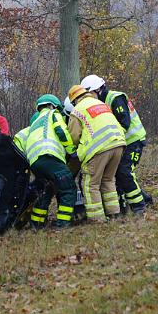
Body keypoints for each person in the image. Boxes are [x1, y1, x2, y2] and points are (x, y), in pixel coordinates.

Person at [80, 74, 148, 215]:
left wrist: (110, 140)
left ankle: (139, 206)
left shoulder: (115, 99)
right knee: (117, 173)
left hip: (133, 141)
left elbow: (125, 123)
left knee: (124, 171)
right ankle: (143, 200)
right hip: (120, 143)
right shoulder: (101, 102)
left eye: (89, 94)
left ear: (97, 90)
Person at [66, 84, 126, 222]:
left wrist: (73, 151)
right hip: (118, 144)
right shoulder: (100, 103)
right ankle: (114, 213)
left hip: (98, 149)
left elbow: (74, 136)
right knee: (108, 180)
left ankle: (97, 218)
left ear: (74, 100)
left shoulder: (77, 110)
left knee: (91, 184)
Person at [25, 94, 77, 229]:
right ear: (52, 106)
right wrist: (72, 151)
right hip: (49, 156)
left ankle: (37, 223)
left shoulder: (35, 121)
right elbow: (61, 131)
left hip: (35, 162)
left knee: (46, 191)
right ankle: (63, 224)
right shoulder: (53, 114)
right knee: (68, 187)